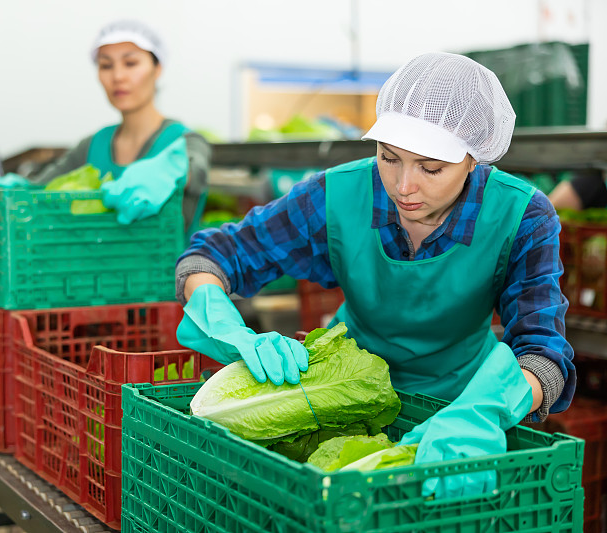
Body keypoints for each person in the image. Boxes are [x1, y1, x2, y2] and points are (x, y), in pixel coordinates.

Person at [175, 52, 574, 498]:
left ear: (473, 159)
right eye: (388, 157)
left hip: (459, 408)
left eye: (431, 167)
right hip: (339, 397)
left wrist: (486, 411)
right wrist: (225, 325)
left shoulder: (522, 214)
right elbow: (214, 253)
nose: (403, 185)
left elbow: (543, 356)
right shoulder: (338, 192)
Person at [32, 20, 210, 232]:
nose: (118, 77)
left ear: (157, 68)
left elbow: (195, 168)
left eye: (131, 63)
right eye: (106, 66)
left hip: (170, 265)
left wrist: (174, 170)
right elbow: (37, 191)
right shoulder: (91, 146)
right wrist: (14, 190)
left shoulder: (185, 141)